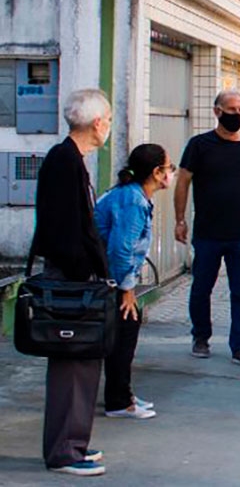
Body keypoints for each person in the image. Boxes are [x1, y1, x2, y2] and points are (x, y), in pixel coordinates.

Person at [31, 89, 112, 476]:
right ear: (98, 123)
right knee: (72, 362)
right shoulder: (64, 161)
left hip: (76, 274)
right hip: (70, 279)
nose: (108, 126)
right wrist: (86, 276)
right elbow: (62, 230)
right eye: (109, 119)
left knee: (84, 362)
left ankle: (74, 441)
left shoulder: (70, 159)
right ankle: (65, 450)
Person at [174, 90, 240, 367]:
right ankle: (201, 337)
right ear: (217, 111)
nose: (237, 115)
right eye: (231, 110)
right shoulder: (199, 145)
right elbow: (182, 181)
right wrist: (179, 219)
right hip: (207, 234)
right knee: (201, 288)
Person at [95, 144, 174, 421]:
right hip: (109, 279)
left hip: (112, 277)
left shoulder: (133, 196)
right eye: (168, 168)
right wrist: (126, 290)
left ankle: (123, 394)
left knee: (126, 328)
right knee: (125, 329)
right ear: (156, 172)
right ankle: (118, 401)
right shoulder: (133, 200)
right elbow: (120, 248)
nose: (170, 173)